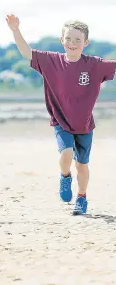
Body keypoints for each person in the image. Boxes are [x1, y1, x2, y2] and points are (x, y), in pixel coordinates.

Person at [6, 14, 116, 215]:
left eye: (77, 40)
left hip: (84, 124)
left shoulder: (95, 64)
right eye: (68, 39)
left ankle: (82, 198)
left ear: (86, 43)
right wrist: (15, 30)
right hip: (60, 120)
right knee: (66, 154)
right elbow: (26, 52)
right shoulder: (51, 61)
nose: (72, 43)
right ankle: (65, 177)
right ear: (61, 40)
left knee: (82, 165)